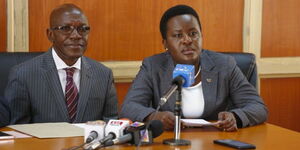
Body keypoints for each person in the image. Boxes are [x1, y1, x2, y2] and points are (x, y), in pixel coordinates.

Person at [120, 5, 268, 131]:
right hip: (169, 143)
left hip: (215, 141)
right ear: (165, 43)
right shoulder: (153, 66)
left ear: (201, 36)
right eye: (178, 35)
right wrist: (155, 116)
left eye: (193, 33)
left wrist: (235, 116)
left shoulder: (224, 65)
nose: (187, 40)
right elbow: (129, 107)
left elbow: (258, 107)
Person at [5, 4, 118, 124]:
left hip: (89, 142)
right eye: (65, 28)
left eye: (83, 29)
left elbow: (112, 124)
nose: (76, 36)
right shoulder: (23, 75)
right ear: (50, 35)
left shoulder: (103, 75)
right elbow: (16, 130)